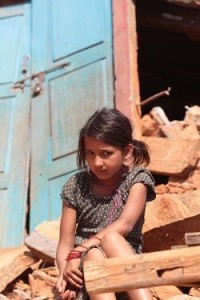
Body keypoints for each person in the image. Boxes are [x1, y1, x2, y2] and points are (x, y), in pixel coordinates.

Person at [56, 107, 156, 300]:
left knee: (111, 238)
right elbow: (65, 242)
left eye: (106, 153)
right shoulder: (75, 185)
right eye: (90, 153)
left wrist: (79, 250)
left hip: (124, 262)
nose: (97, 162)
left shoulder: (137, 179)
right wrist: (64, 273)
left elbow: (125, 225)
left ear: (127, 152)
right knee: (94, 255)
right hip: (85, 269)